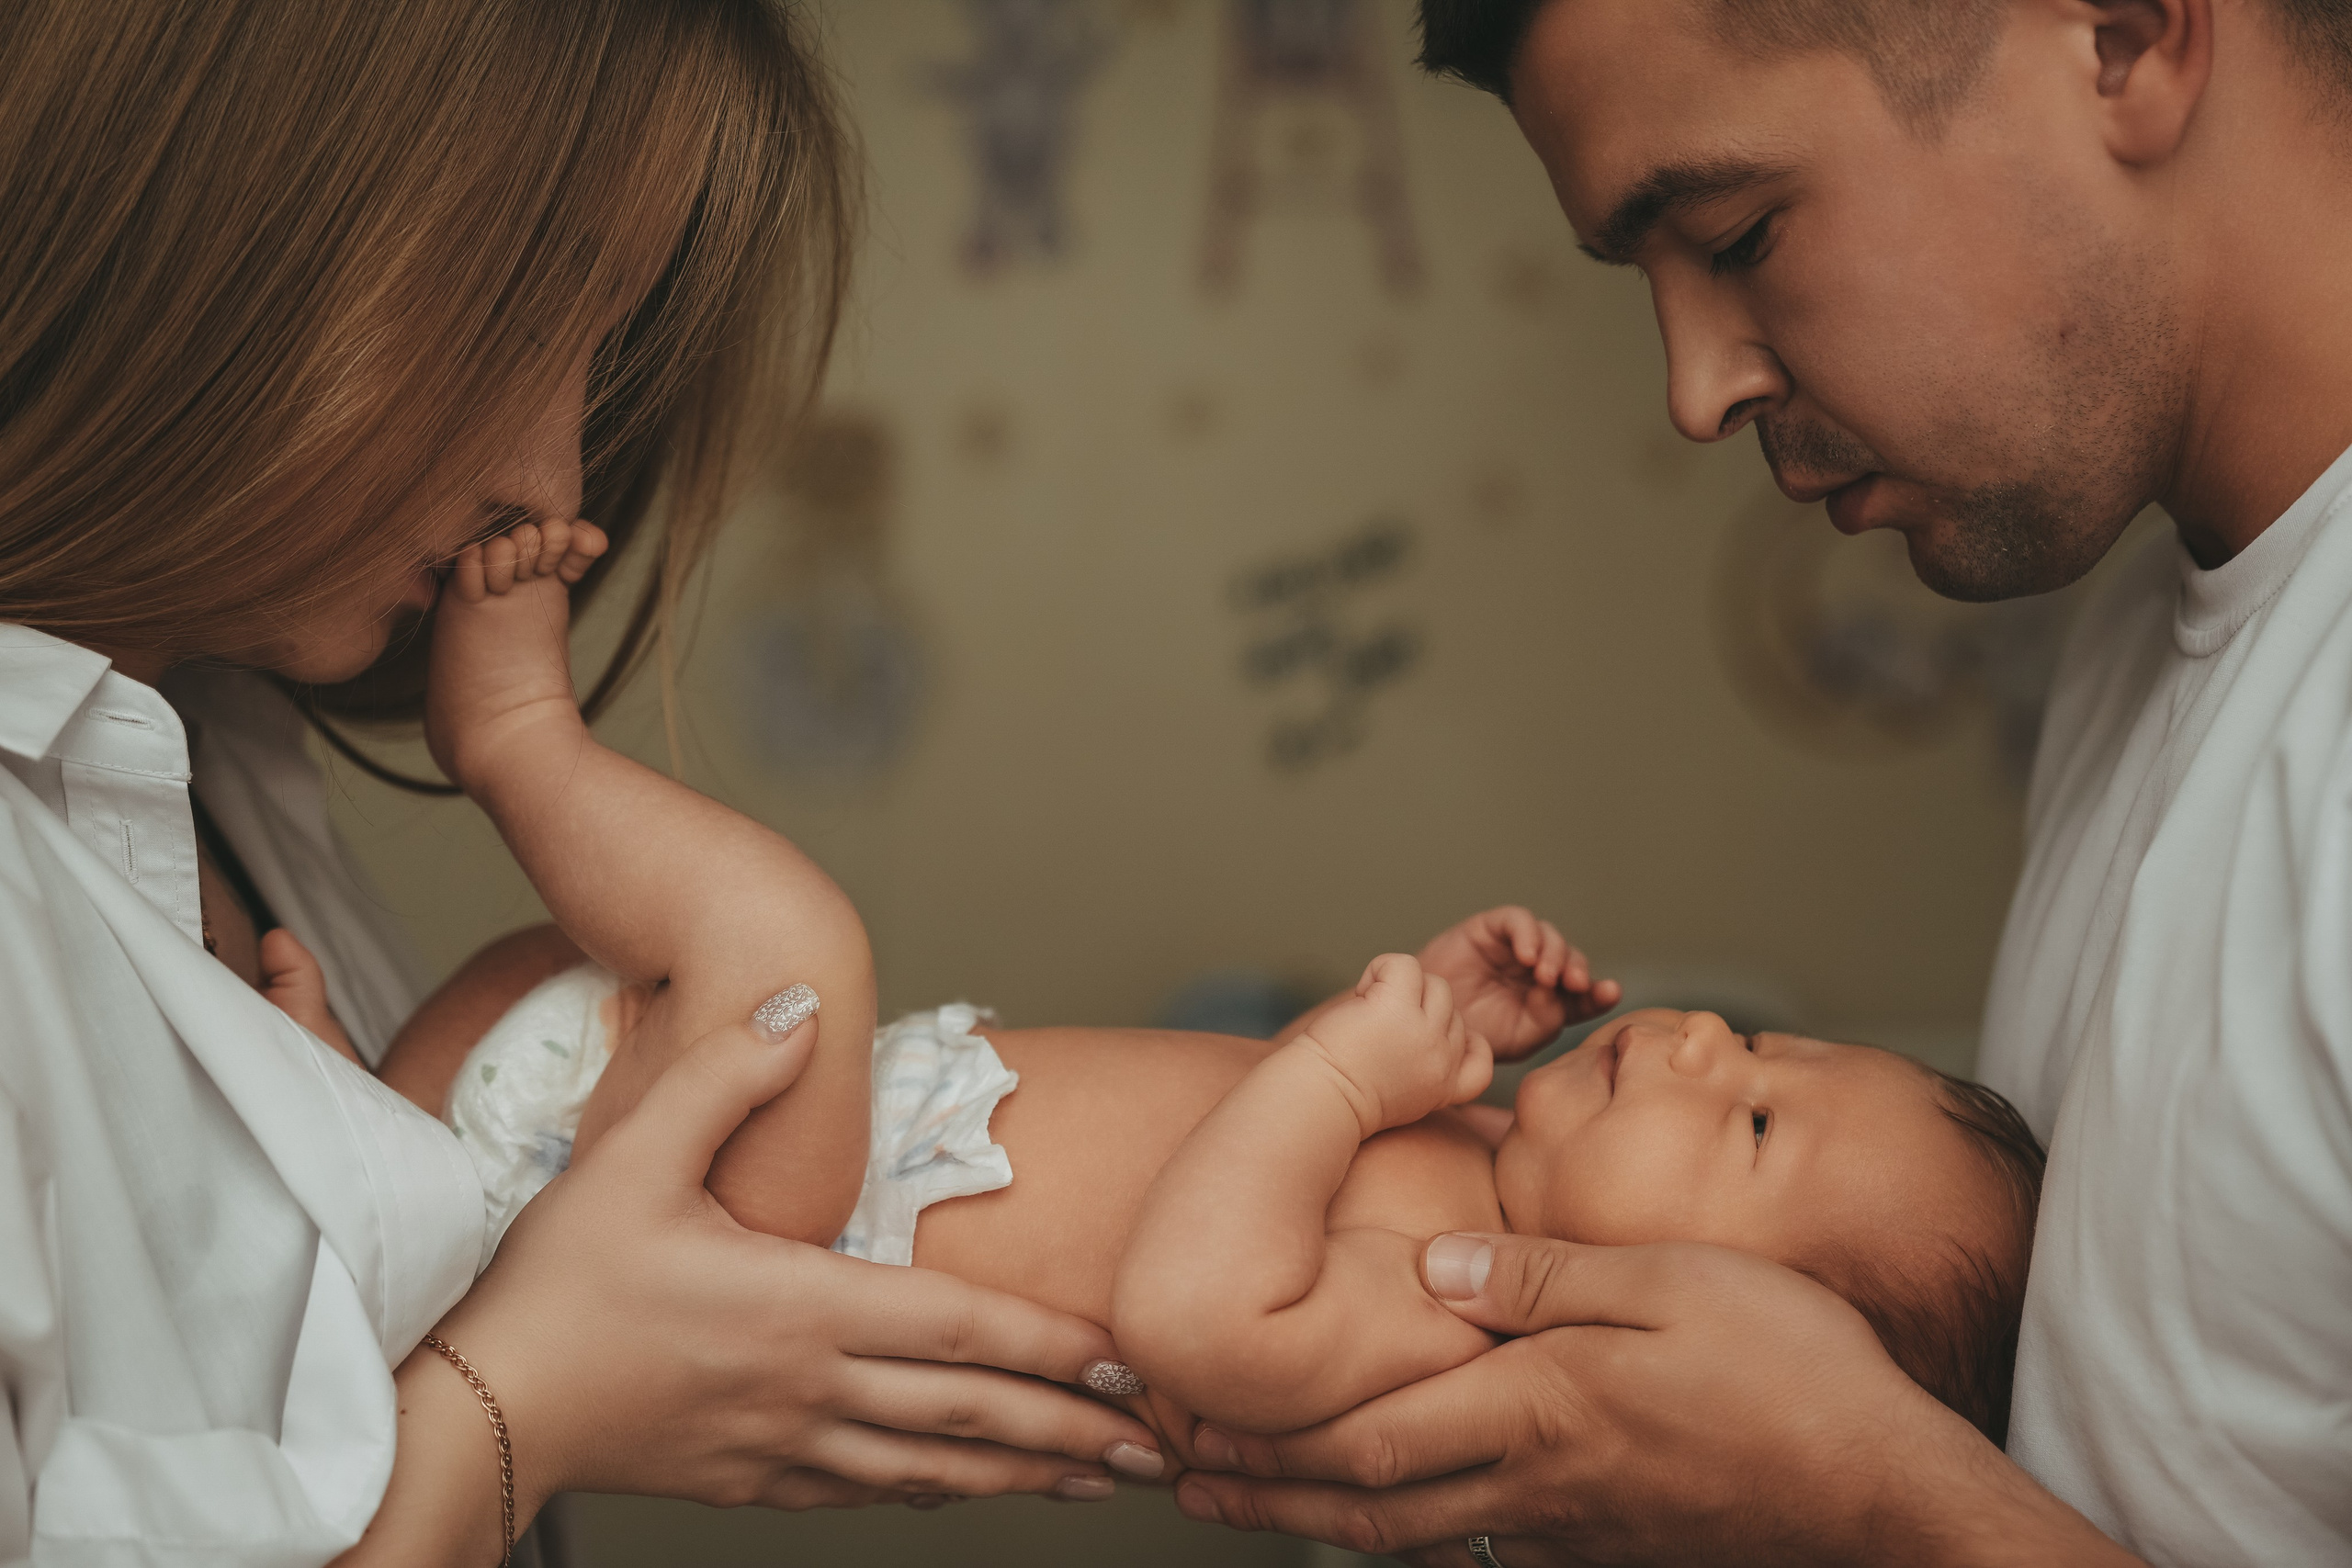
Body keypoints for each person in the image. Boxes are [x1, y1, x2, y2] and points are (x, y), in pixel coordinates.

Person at [1168, 0, 2352, 1562]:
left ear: (2124, 36)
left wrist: (1870, 1491)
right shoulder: (2149, 639)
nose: (1694, 389)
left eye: (1737, 233)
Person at [0, 4, 1171, 1562]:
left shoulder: (213, 750)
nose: (553, 483)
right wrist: (534, 1394)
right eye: (511, 320)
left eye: (594, 350)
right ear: (218, 218)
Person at [356, 521, 2044, 1476]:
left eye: (1752, 1117)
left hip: (782, 1245)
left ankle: (511, 739)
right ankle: (343, 1159)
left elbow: (1197, 1321)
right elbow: (1276, 1118)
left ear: (1704, 1341)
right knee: (546, 983)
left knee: (792, 952)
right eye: (1764, 1044)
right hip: (778, 1163)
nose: (1694, 1037)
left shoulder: (1454, 1317)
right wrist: (1439, 1019)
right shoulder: (1469, 1155)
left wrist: (1348, 1072)